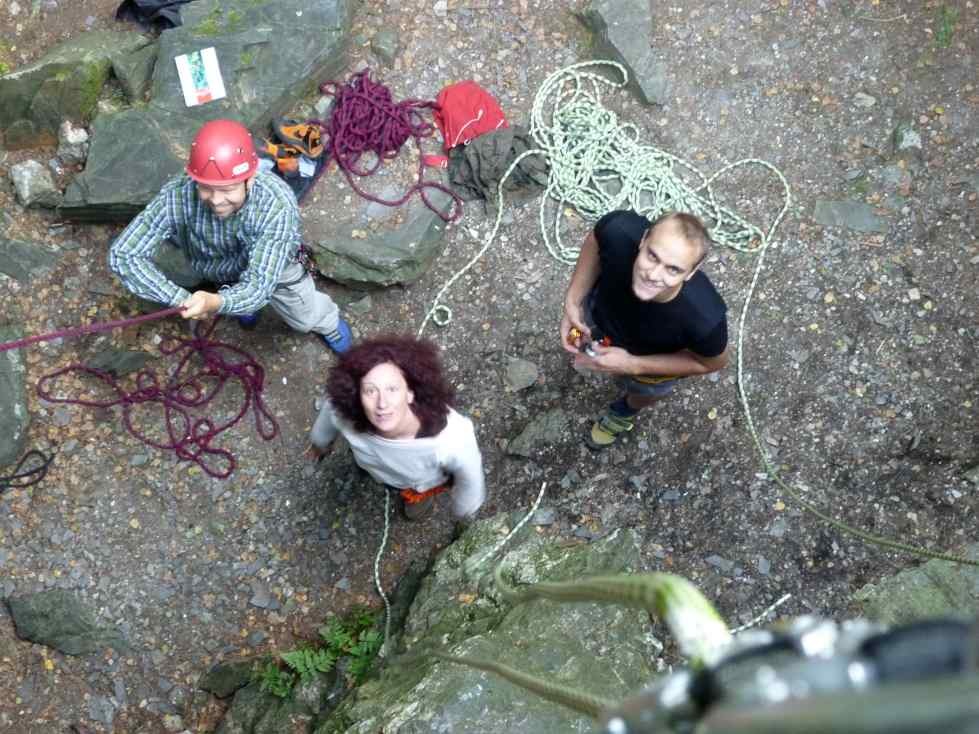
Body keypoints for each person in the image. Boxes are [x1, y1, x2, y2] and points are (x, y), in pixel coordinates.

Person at [108, 118, 352, 352]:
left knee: (303, 318)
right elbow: (124, 255)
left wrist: (216, 303)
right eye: (205, 187)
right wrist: (178, 297)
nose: (216, 201)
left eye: (228, 189)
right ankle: (237, 301)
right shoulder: (181, 193)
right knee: (237, 295)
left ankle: (326, 322)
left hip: (277, 269)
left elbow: (259, 285)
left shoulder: (276, 206)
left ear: (251, 178)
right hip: (217, 267)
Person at [560, 210, 729, 449]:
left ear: (691, 272)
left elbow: (712, 363)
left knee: (646, 389)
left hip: (649, 358)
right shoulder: (619, 230)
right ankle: (588, 349)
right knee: (583, 331)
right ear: (643, 239)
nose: (653, 275)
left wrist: (631, 364)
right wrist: (573, 301)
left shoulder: (704, 320)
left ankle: (623, 413)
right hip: (601, 314)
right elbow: (595, 240)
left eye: (673, 270)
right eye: (652, 256)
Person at [308, 336, 486, 521]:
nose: (382, 403)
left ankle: (418, 501)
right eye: (370, 391)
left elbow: (470, 482)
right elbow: (329, 415)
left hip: (417, 484)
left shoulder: (453, 439)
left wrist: (463, 512)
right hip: (374, 468)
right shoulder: (344, 414)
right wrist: (319, 443)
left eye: (392, 389)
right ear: (358, 395)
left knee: (413, 494)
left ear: (410, 392)